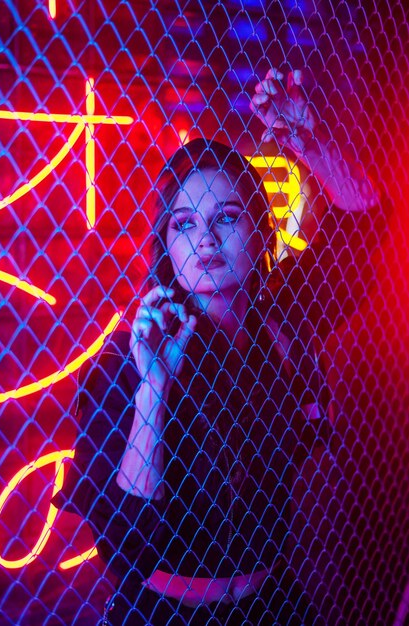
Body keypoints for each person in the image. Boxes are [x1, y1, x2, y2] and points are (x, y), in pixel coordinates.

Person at [53, 68, 378, 625]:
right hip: (162, 614)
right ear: (166, 246)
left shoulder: (283, 317)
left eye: (226, 217)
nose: (204, 238)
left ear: (260, 229)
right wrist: (154, 386)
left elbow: (367, 221)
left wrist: (309, 141)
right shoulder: (123, 361)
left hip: (273, 607)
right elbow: (124, 545)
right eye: (183, 224)